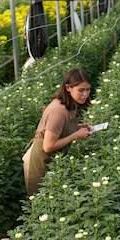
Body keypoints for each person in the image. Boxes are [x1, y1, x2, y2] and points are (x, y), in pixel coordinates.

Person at [23, 68, 93, 196]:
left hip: (53, 159)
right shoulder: (59, 111)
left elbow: (60, 129)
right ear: (68, 88)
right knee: (40, 200)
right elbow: (48, 146)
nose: (85, 94)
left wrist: (78, 127)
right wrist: (75, 135)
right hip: (40, 160)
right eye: (81, 90)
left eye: (87, 89)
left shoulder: (70, 104)